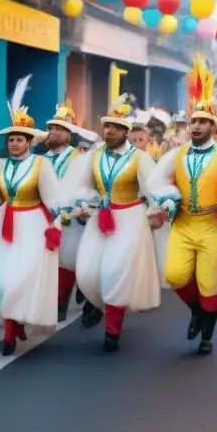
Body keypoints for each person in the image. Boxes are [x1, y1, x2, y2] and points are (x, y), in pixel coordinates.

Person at [147, 56, 217, 354]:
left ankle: (207, 333)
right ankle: (196, 311)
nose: (196, 125)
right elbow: (156, 180)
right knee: (174, 275)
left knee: (210, 282)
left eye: (202, 121)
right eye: (193, 121)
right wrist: (168, 196)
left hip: (212, 225)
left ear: (213, 126)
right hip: (183, 223)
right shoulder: (176, 154)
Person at [0, 77, 69, 356]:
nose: (14, 143)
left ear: (29, 141)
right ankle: (12, 323)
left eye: (19, 139)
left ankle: (11, 332)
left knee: (20, 278)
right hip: (3, 225)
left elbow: (54, 198)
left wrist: (58, 223)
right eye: (11, 139)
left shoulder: (41, 165)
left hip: (33, 226)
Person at [67, 99, 163, 352]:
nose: (109, 131)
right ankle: (99, 305)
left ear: (126, 132)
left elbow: (154, 188)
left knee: (115, 272)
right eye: (106, 126)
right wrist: (85, 202)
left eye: (116, 128)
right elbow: (82, 187)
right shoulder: (93, 156)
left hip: (130, 219)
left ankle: (112, 331)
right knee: (87, 271)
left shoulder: (139, 158)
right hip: (100, 218)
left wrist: (161, 207)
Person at [44, 101, 99, 322]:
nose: (52, 132)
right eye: (50, 128)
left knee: (74, 259)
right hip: (48, 216)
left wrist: (83, 207)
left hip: (74, 217)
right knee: (55, 261)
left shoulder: (78, 157)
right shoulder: (41, 159)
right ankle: (59, 302)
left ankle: (84, 294)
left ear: (69, 134)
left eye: (58, 129)